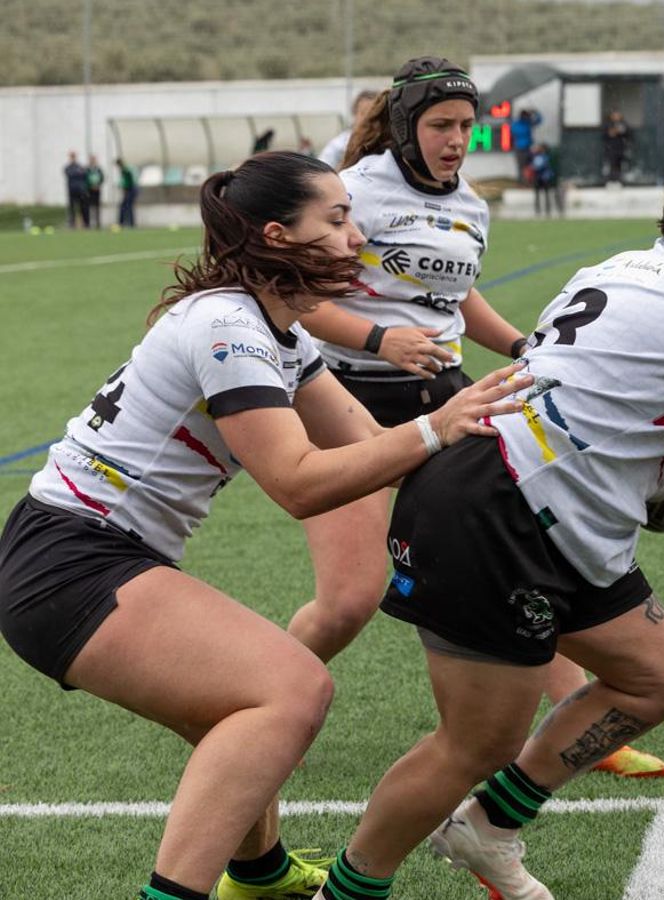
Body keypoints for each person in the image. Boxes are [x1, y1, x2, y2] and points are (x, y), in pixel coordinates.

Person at [0, 150, 528, 900]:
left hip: (84, 557)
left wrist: (520, 447)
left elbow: (369, 443)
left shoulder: (278, 332)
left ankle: (259, 874)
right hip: (69, 560)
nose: (358, 239)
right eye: (339, 220)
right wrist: (437, 429)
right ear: (279, 236)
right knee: (291, 690)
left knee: (243, 702)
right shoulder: (229, 326)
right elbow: (300, 483)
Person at [310, 137, 664, 900]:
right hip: (503, 512)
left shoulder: (612, 266)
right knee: (473, 744)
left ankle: (489, 828)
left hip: (520, 500)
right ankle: (347, 892)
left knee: (656, 676)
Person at [317, 57, 664, 781]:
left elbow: (457, 298)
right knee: (347, 601)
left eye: (467, 126)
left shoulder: (470, 205)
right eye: (441, 124)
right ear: (406, 126)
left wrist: (519, 345)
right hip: (346, 398)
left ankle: (581, 714)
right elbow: (297, 299)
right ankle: (266, 695)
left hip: (446, 397)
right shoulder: (352, 192)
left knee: (509, 547)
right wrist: (379, 338)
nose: (456, 139)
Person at [319, 91, 379, 169]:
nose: (368, 118)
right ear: (355, 114)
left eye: (373, 113)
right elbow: (320, 171)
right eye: (363, 113)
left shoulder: (387, 147)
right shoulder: (338, 146)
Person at [531, 143, 561, 217]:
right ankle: (539, 210)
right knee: (540, 195)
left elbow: (538, 166)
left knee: (545, 195)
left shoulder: (543, 157)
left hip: (543, 178)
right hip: (541, 178)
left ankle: (546, 211)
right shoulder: (538, 157)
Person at [603, 109, 632, 184]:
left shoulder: (624, 123)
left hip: (621, 148)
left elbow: (627, 132)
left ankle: (620, 179)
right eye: (614, 115)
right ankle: (611, 180)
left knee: (620, 165)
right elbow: (606, 134)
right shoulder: (608, 124)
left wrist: (619, 131)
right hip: (611, 148)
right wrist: (613, 132)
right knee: (611, 165)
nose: (616, 117)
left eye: (617, 115)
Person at [512, 109, 538, 185]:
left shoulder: (527, 123)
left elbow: (539, 120)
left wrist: (535, 112)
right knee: (522, 166)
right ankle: (522, 182)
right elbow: (516, 132)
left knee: (529, 166)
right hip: (520, 148)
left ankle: (528, 181)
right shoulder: (520, 124)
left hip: (527, 148)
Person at [63, 152, 88, 229]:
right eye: (71, 156)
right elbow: (69, 174)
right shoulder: (68, 167)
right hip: (71, 191)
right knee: (72, 208)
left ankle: (85, 224)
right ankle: (72, 224)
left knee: (82, 207)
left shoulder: (80, 166)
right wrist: (78, 173)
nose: (73, 158)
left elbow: (84, 174)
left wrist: (78, 173)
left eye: (74, 156)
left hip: (80, 191)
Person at [117, 156, 139, 228]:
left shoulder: (125, 170)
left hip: (131, 190)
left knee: (127, 206)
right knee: (127, 206)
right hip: (131, 189)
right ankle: (129, 223)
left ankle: (125, 223)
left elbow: (129, 181)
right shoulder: (126, 169)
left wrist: (124, 187)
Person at [85, 155, 105, 229]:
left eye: (94, 160)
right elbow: (85, 180)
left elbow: (102, 178)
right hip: (89, 191)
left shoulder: (99, 169)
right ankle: (89, 223)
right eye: (91, 160)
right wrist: (90, 186)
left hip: (97, 190)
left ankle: (98, 223)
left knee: (97, 207)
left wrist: (98, 185)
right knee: (89, 207)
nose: (93, 161)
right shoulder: (87, 170)